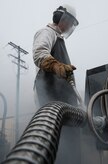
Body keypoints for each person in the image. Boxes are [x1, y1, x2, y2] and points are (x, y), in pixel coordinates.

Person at [33, 4, 81, 164]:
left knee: (71, 146)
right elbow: (39, 53)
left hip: (66, 103)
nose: (70, 27)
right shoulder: (47, 32)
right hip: (54, 103)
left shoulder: (59, 39)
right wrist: (56, 66)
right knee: (60, 146)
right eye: (70, 22)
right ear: (63, 19)